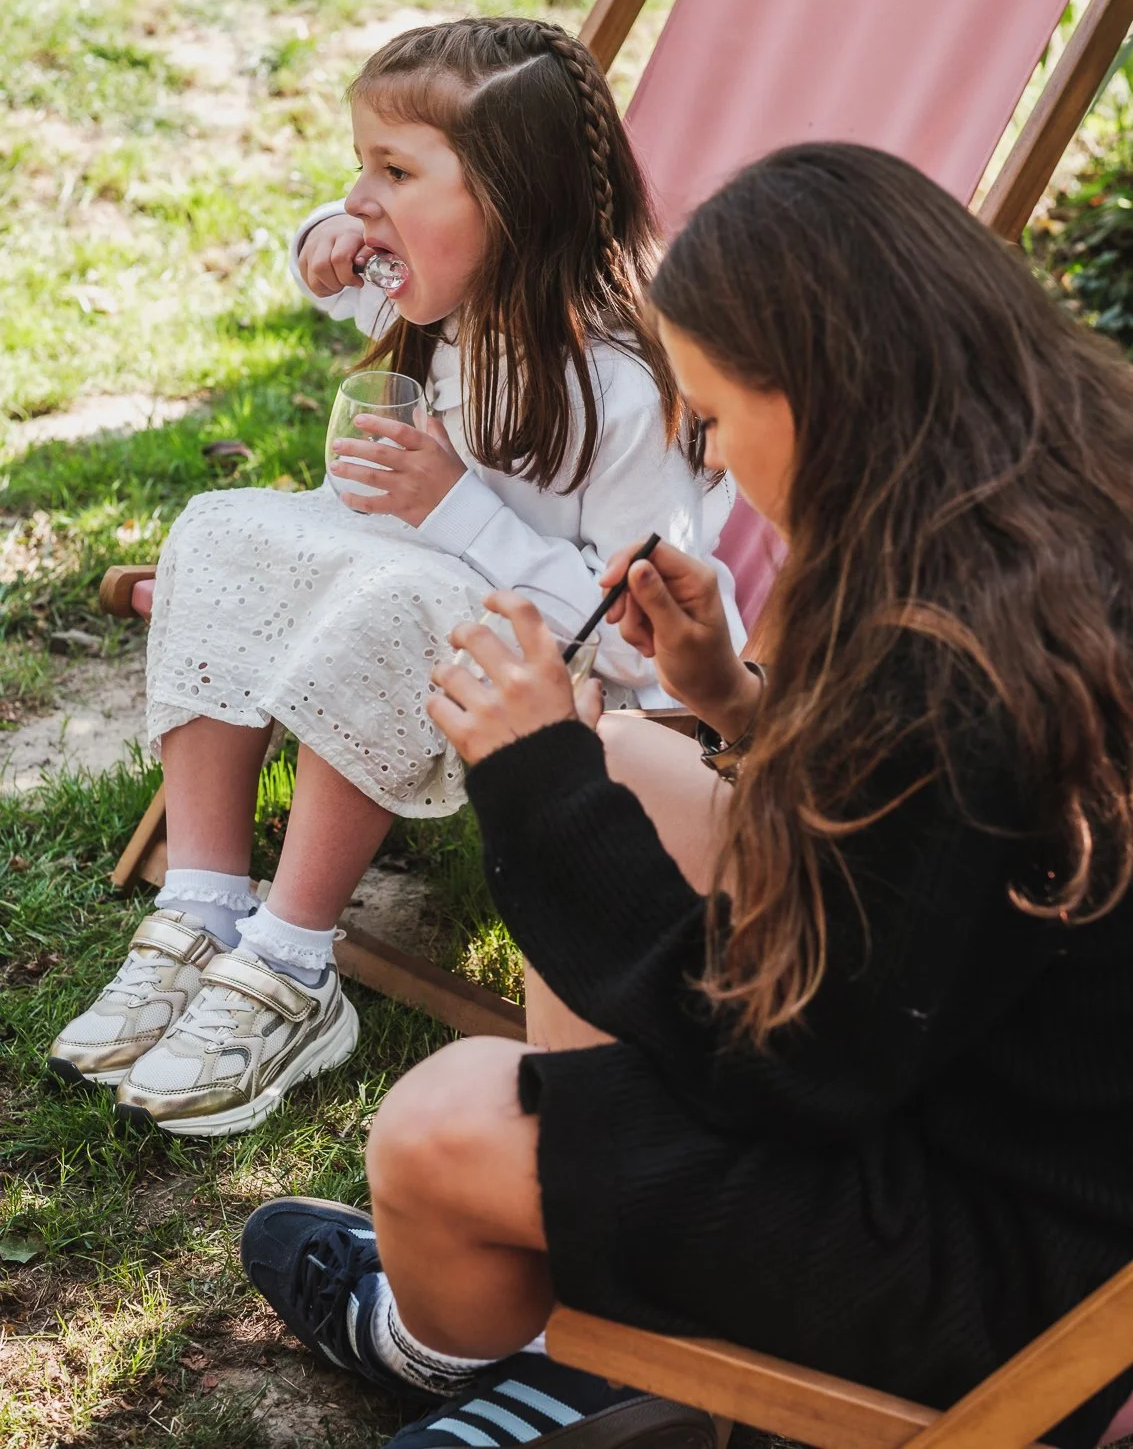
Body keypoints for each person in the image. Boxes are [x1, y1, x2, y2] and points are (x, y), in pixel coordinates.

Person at [241, 143, 1133, 1449]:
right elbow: (933, 872)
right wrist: (730, 705)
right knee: (630, 766)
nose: (706, 450)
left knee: (438, 1131)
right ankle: (594, 1281)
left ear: (818, 392)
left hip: (1018, 1282)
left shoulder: (948, 660)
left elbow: (790, 1073)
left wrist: (538, 783)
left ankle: (459, 1350)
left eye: (710, 417)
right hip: (1017, 1102)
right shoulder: (1045, 519)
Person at [48, 17, 738, 1136]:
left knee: (389, 596)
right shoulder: (444, 295)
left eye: (394, 171)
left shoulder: (616, 385)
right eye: (360, 165)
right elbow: (326, 271)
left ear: (509, 205)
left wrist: (450, 503)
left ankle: (293, 960)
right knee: (218, 528)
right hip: (417, 593)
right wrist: (326, 230)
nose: (361, 201)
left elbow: (635, 631)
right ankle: (204, 904)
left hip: (566, 671)